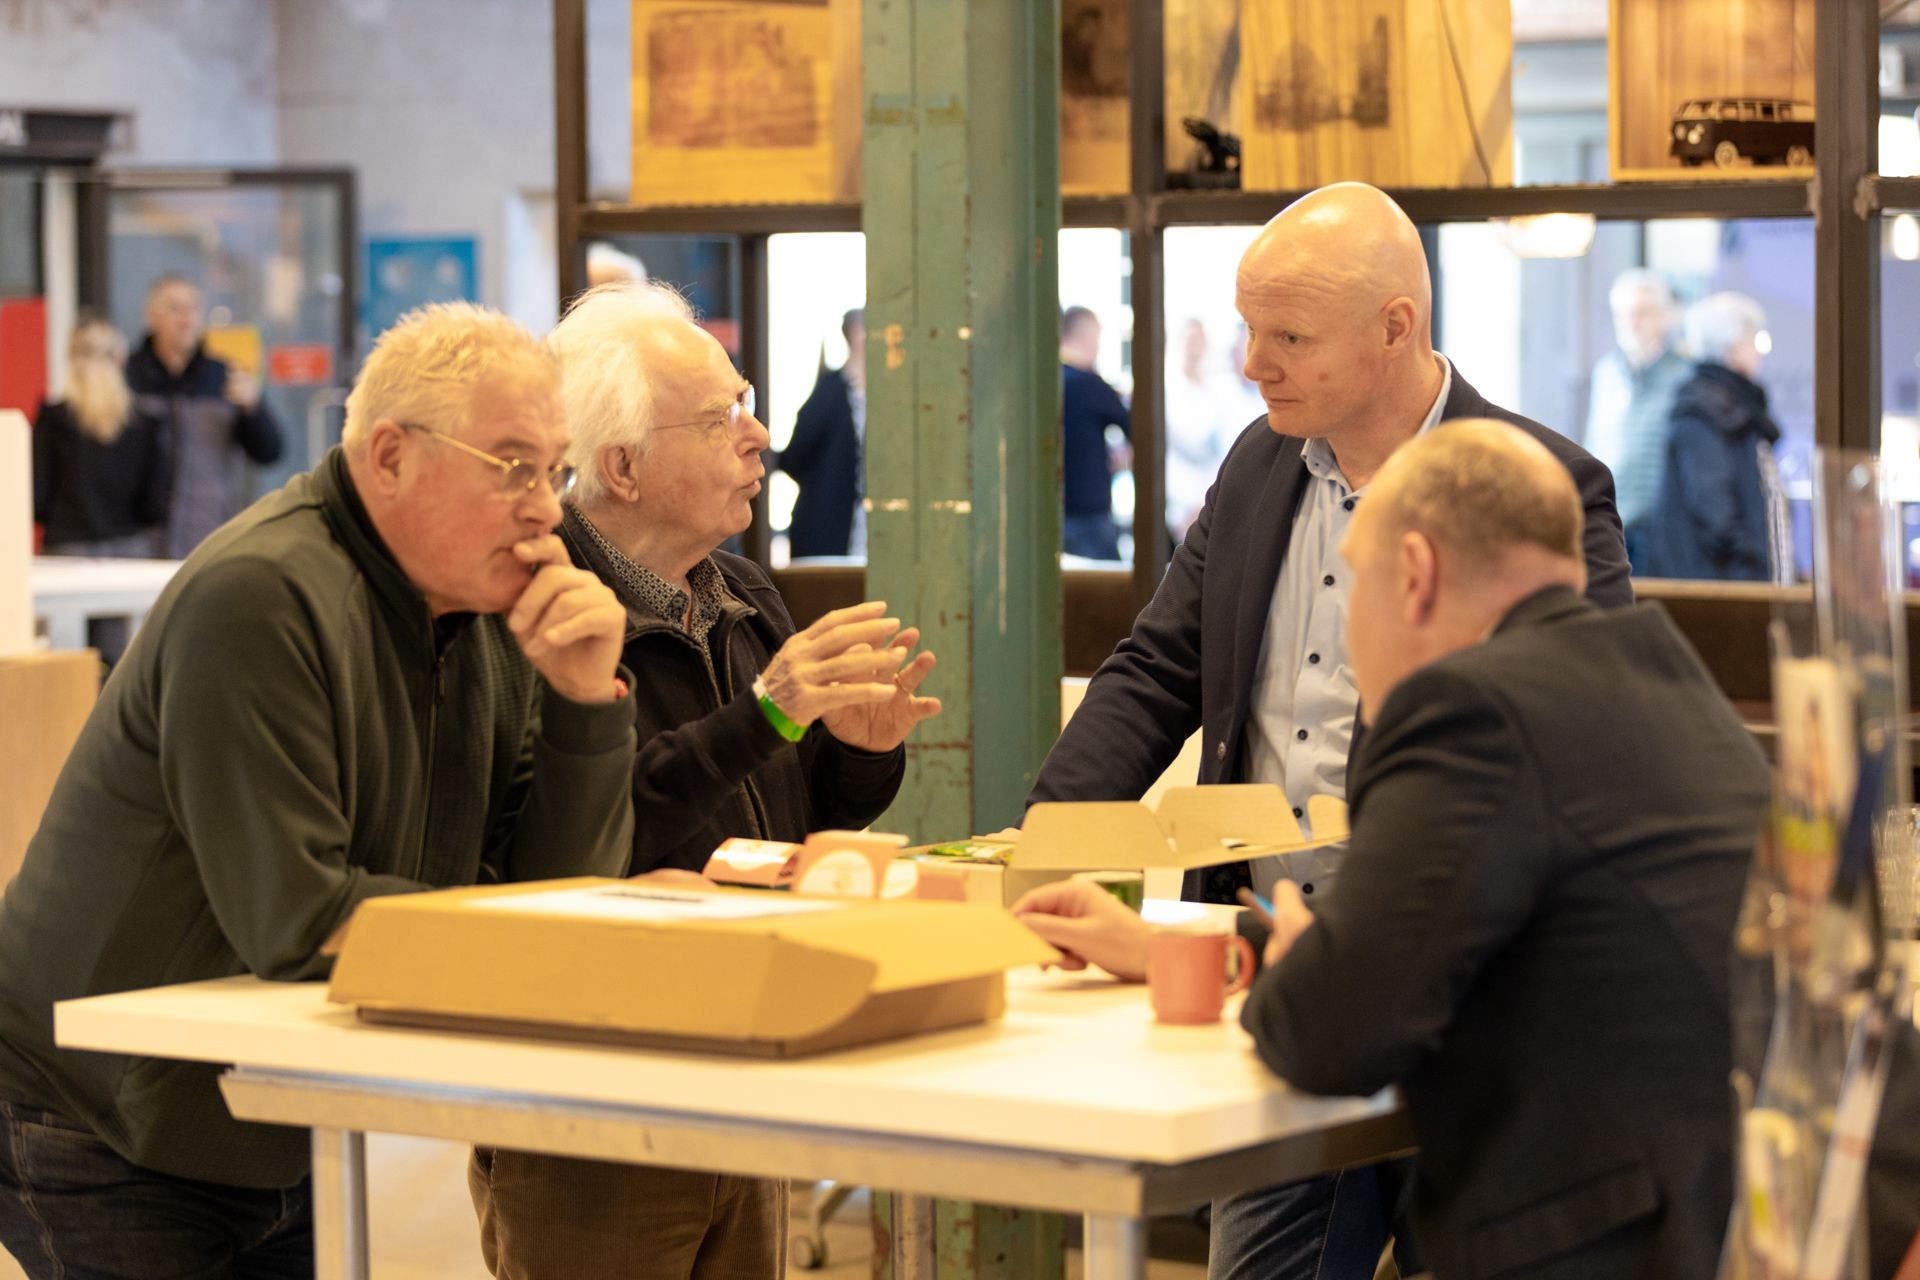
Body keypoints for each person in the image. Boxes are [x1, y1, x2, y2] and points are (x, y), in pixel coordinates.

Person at [1026, 182, 1633, 1280]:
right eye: (1252, 328)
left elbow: (1579, 738)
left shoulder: (1535, 486)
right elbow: (1162, 662)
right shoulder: (1260, 464)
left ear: (1396, 327)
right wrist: (1049, 837)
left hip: (1458, 984)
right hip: (1279, 970)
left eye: (1288, 336)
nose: (1253, 361)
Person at [1016, 420, 1768, 1280]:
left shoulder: (1474, 710)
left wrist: (1311, 971)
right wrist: (1186, 949)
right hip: (1729, 1213)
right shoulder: (1668, 684)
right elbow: (1453, 941)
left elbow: (1324, 1035)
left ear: (1412, 577)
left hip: (1590, 1240)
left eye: (1352, 590)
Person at [0, 302, 637, 1278]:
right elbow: (302, 920)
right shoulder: (258, 595)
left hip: (267, 1108)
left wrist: (588, 700)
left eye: (555, 469)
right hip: (93, 1112)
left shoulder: (491, 618)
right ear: (389, 454)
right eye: (512, 464)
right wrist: (544, 943)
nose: (547, 507)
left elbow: (551, 894)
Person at [466, 281, 940, 1280]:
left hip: (742, 1067)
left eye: (748, 401)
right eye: (723, 415)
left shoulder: (739, 591)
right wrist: (763, 713)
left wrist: (856, 748)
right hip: (597, 1100)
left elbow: (789, 814)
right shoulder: (536, 618)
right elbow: (578, 840)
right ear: (623, 466)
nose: (759, 435)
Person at [127, 274, 285, 558]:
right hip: (137, 540)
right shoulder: (127, 378)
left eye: (193, 309)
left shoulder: (224, 377)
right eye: (174, 308)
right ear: (150, 315)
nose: (185, 318)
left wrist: (253, 409)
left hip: (209, 535)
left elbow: (270, 452)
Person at [1639, 292, 1790, 583]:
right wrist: (1755, 561)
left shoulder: (1731, 407)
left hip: (1736, 580)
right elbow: (1715, 512)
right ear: (1733, 346)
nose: (1760, 352)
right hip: (1721, 589)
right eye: (1757, 341)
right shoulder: (1704, 413)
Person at [1583, 269, 1691, 562]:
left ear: (1665, 317)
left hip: (1663, 530)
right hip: (1608, 521)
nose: (1632, 323)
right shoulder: (1606, 373)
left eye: (1643, 313)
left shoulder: (1685, 377)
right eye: (1623, 314)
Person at [779, 307, 866, 557]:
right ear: (856, 335)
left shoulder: (890, 398)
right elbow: (793, 457)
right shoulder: (830, 392)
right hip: (829, 529)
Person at [1060, 304, 1131, 560]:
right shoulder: (1090, 384)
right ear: (1086, 337)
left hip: (1052, 511)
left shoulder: (1047, 380)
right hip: (1090, 516)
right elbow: (1137, 429)